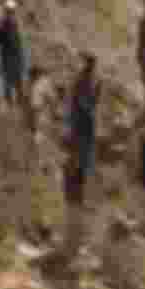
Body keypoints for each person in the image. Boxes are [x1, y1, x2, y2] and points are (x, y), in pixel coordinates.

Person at [68, 52, 100, 182]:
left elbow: (88, 101)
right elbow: (84, 102)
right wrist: (93, 102)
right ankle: (78, 175)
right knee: (82, 148)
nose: (93, 69)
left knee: (84, 148)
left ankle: (81, 175)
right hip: (82, 119)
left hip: (83, 119)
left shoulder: (85, 79)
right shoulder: (82, 80)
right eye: (92, 66)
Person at [0, 0, 28, 110]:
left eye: (12, 11)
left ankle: (16, 99)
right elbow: (9, 40)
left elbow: (15, 40)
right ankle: (11, 100)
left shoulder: (10, 23)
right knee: (11, 78)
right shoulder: (6, 23)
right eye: (10, 11)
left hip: (11, 55)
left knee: (15, 78)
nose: (12, 13)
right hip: (9, 55)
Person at [61, 153, 87, 260]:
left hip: (76, 202)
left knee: (75, 227)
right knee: (72, 227)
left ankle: (72, 251)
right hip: (72, 202)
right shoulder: (69, 171)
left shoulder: (79, 173)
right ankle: (70, 251)